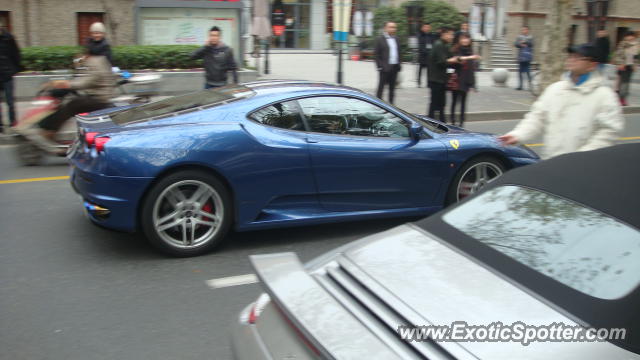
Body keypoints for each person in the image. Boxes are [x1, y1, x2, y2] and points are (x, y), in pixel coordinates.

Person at [498, 44, 623, 159]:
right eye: (570, 56)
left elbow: (609, 132)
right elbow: (537, 117)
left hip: (586, 168)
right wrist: (517, 135)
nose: (571, 59)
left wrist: (583, 156)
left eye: (578, 57)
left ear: (592, 65)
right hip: (552, 163)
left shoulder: (604, 96)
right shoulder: (555, 89)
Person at [19, 47, 115, 151]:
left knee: (71, 105)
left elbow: (87, 81)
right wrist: (66, 82)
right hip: (98, 96)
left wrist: (65, 84)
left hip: (99, 99)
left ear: (87, 53)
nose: (80, 58)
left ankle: (51, 132)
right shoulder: (98, 61)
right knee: (74, 102)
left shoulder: (94, 62)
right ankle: (54, 133)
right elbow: (83, 78)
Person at [428, 27, 458, 123]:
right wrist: (452, 60)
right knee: (434, 103)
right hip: (436, 79)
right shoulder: (439, 45)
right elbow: (442, 62)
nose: (452, 37)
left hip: (441, 79)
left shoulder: (444, 45)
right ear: (444, 35)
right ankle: (430, 122)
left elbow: (450, 57)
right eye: (450, 34)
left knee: (441, 104)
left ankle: (441, 122)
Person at [449, 34, 480, 127]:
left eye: (467, 38)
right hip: (457, 80)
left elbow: (472, 69)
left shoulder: (470, 51)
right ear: (460, 40)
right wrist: (470, 58)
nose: (465, 40)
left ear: (470, 40)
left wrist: (473, 84)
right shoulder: (456, 50)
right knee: (454, 102)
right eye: (463, 38)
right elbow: (456, 59)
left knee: (463, 103)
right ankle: (453, 121)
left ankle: (462, 122)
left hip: (466, 80)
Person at [0, 23, 21, 133]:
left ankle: (13, 122)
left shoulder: (9, 38)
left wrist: (14, 70)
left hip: (7, 73)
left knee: (10, 101)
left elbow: (16, 54)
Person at [375, 21, 402, 104]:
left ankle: (392, 106)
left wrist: (399, 64)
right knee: (381, 88)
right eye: (391, 27)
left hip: (394, 67)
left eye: (394, 27)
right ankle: (378, 104)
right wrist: (380, 66)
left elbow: (399, 52)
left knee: (392, 89)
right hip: (384, 68)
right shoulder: (380, 39)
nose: (393, 29)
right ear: (386, 28)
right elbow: (377, 54)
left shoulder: (397, 39)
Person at [614, 31, 639, 106]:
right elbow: (618, 55)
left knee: (625, 83)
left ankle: (621, 98)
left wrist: (635, 65)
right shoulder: (623, 44)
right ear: (626, 36)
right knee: (623, 83)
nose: (631, 38)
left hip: (630, 66)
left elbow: (636, 56)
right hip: (623, 66)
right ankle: (621, 99)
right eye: (629, 36)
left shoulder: (636, 45)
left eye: (632, 36)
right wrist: (620, 64)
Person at [417, 23, 437, 88]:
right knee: (420, 70)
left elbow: (434, 44)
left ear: (430, 28)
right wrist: (424, 51)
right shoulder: (420, 35)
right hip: (422, 55)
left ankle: (429, 83)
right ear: (422, 28)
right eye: (425, 27)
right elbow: (420, 45)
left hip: (430, 56)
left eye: (428, 27)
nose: (427, 28)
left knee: (429, 70)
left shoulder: (432, 35)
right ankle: (419, 82)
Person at [514, 26, 534, 90]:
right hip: (521, 57)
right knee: (520, 72)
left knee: (528, 72)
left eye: (525, 30)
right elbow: (515, 44)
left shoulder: (530, 37)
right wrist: (520, 44)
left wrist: (526, 42)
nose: (524, 31)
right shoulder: (519, 37)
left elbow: (532, 44)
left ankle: (530, 86)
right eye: (523, 30)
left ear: (528, 30)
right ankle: (520, 85)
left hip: (527, 57)